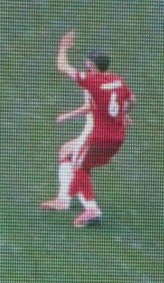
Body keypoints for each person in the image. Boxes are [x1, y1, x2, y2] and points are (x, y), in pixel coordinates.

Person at [41, 31, 134, 228]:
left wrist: (63, 46)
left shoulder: (92, 81)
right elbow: (131, 99)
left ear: (92, 65)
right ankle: (64, 199)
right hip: (117, 138)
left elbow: (62, 66)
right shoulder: (117, 79)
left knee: (79, 167)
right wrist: (123, 114)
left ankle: (91, 209)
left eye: (87, 62)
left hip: (97, 137)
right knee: (66, 152)